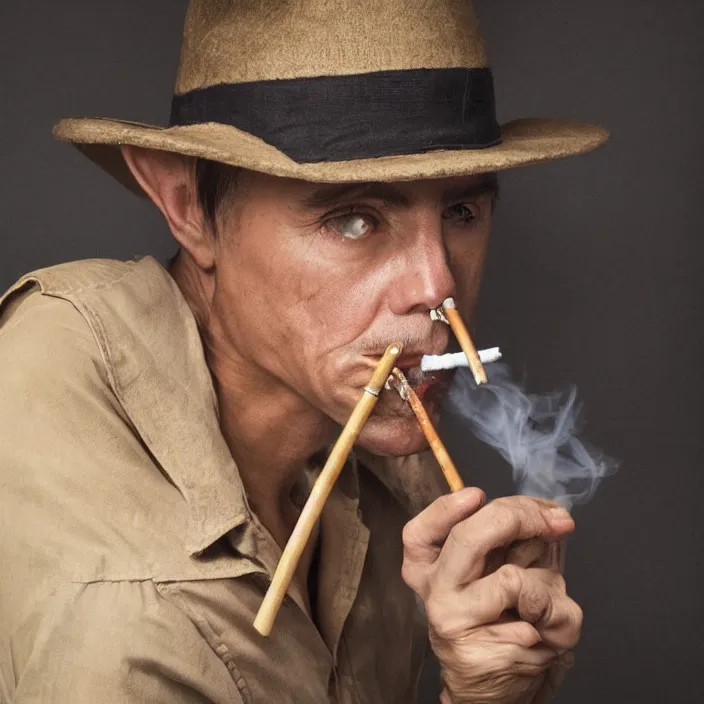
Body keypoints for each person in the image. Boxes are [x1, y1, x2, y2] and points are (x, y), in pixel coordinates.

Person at [0, 0, 608, 702]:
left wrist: (492, 684)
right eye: (353, 219)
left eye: (462, 211)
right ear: (187, 205)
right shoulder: (131, 627)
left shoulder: (356, 413)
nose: (437, 286)